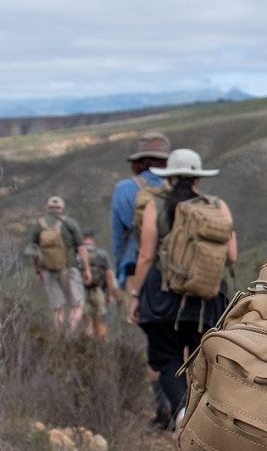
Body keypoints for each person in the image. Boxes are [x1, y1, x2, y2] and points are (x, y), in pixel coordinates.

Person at [124, 148, 237, 431]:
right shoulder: (217, 206)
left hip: (163, 297)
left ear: (170, 176)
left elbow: (146, 254)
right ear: (198, 178)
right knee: (204, 359)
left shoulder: (156, 205)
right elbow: (232, 255)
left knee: (166, 359)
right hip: (206, 298)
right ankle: (209, 422)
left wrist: (135, 295)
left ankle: (182, 413)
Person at [111, 131, 170, 284]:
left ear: (138, 162)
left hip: (135, 264)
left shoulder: (122, 189)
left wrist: (120, 271)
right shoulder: (177, 187)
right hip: (173, 267)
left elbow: (118, 237)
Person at [27, 195, 91, 334]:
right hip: (69, 269)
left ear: (47, 209)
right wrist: (86, 269)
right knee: (78, 305)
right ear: (62, 209)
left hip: (47, 271)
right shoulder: (70, 223)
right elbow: (81, 248)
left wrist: (38, 272)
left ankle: (58, 338)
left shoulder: (39, 225)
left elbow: (32, 251)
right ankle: (69, 332)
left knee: (58, 308)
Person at [80, 233, 120, 340]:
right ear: (93, 240)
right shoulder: (102, 254)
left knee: (88, 326)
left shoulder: (78, 255)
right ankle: (102, 351)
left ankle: (87, 348)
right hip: (99, 292)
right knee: (101, 325)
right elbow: (109, 275)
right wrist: (110, 295)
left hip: (82, 293)